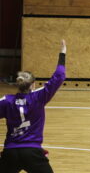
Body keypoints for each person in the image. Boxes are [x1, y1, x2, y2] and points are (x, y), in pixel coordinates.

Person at [0, 40, 66, 173]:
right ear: (33, 85)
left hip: (11, 153)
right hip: (32, 152)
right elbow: (59, 76)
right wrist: (62, 54)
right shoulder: (38, 97)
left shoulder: (6, 101)